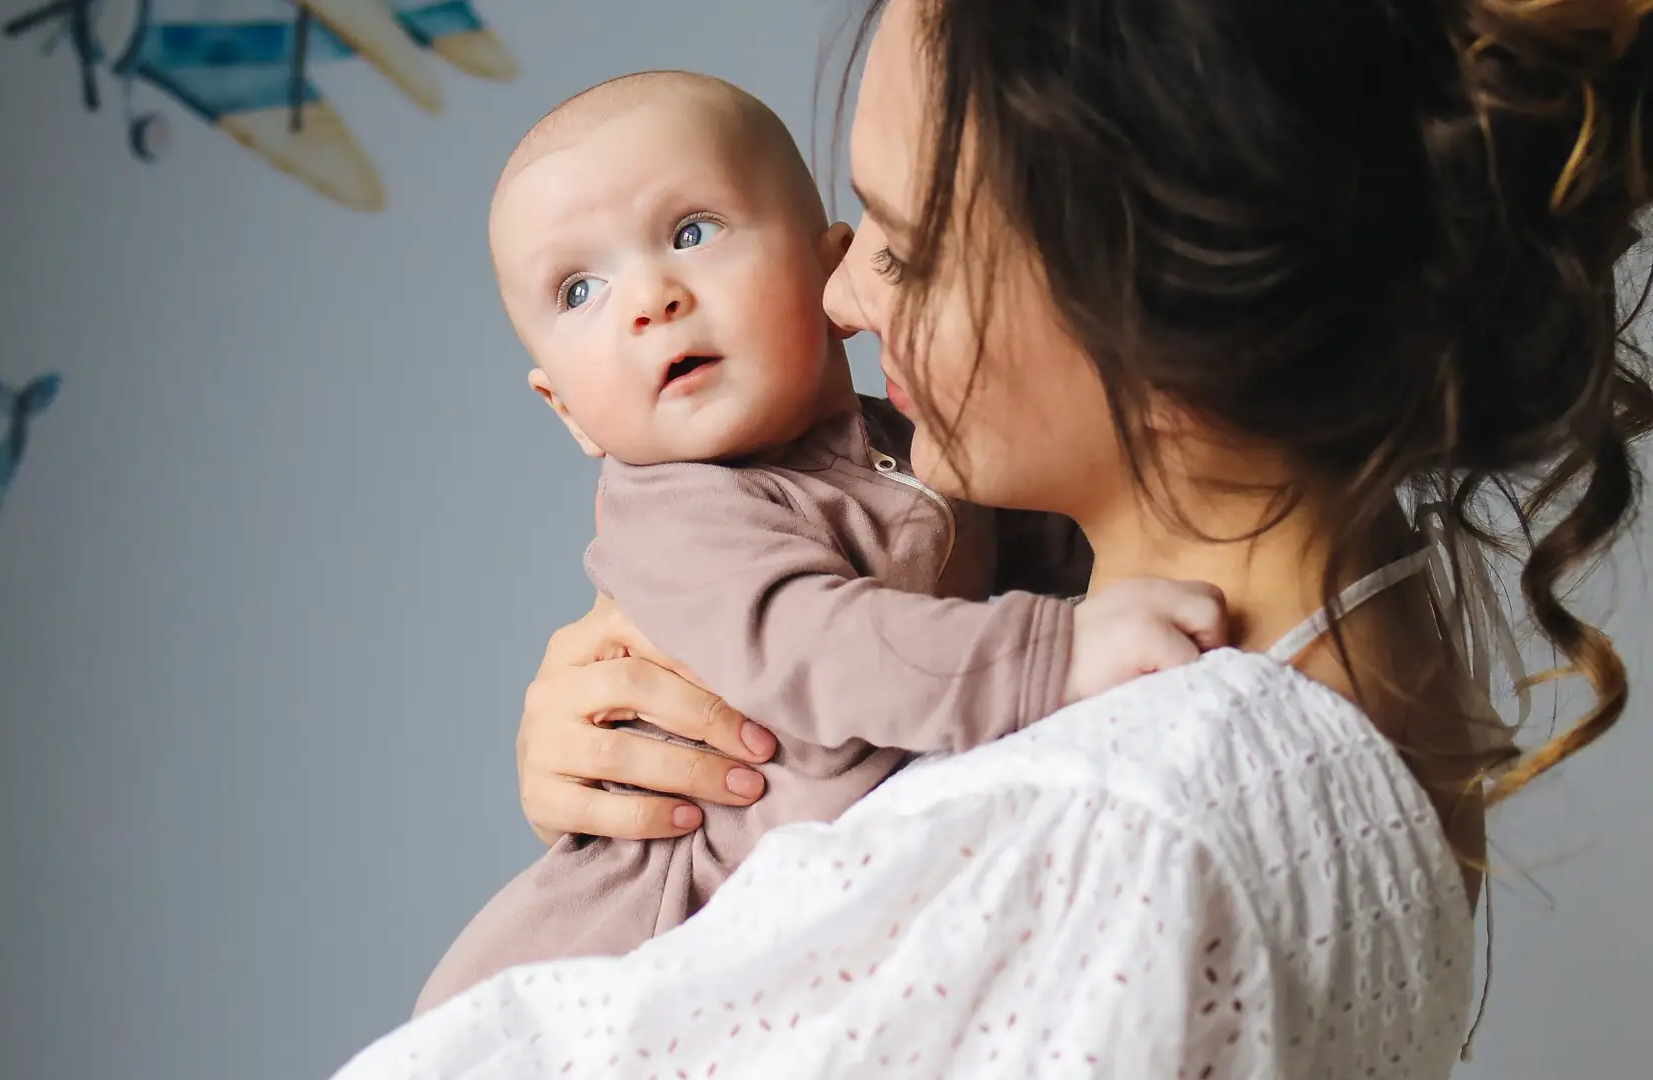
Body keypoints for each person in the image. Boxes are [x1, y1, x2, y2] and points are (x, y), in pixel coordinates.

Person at [331, 0, 1653, 1074]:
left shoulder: (1112, 829)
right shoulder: (1371, 641)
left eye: (898, 248)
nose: (842, 293)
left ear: (1147, 301)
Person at [411, 69, 1230, 1017]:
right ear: (567, 412)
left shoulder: (916, 443)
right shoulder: (680, 514)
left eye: (692, 232)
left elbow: (1047, 555)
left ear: (830, 270)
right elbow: (828, 650)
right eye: (580, 288)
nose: (650, 298)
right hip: (625, 964)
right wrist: (1064, 651)